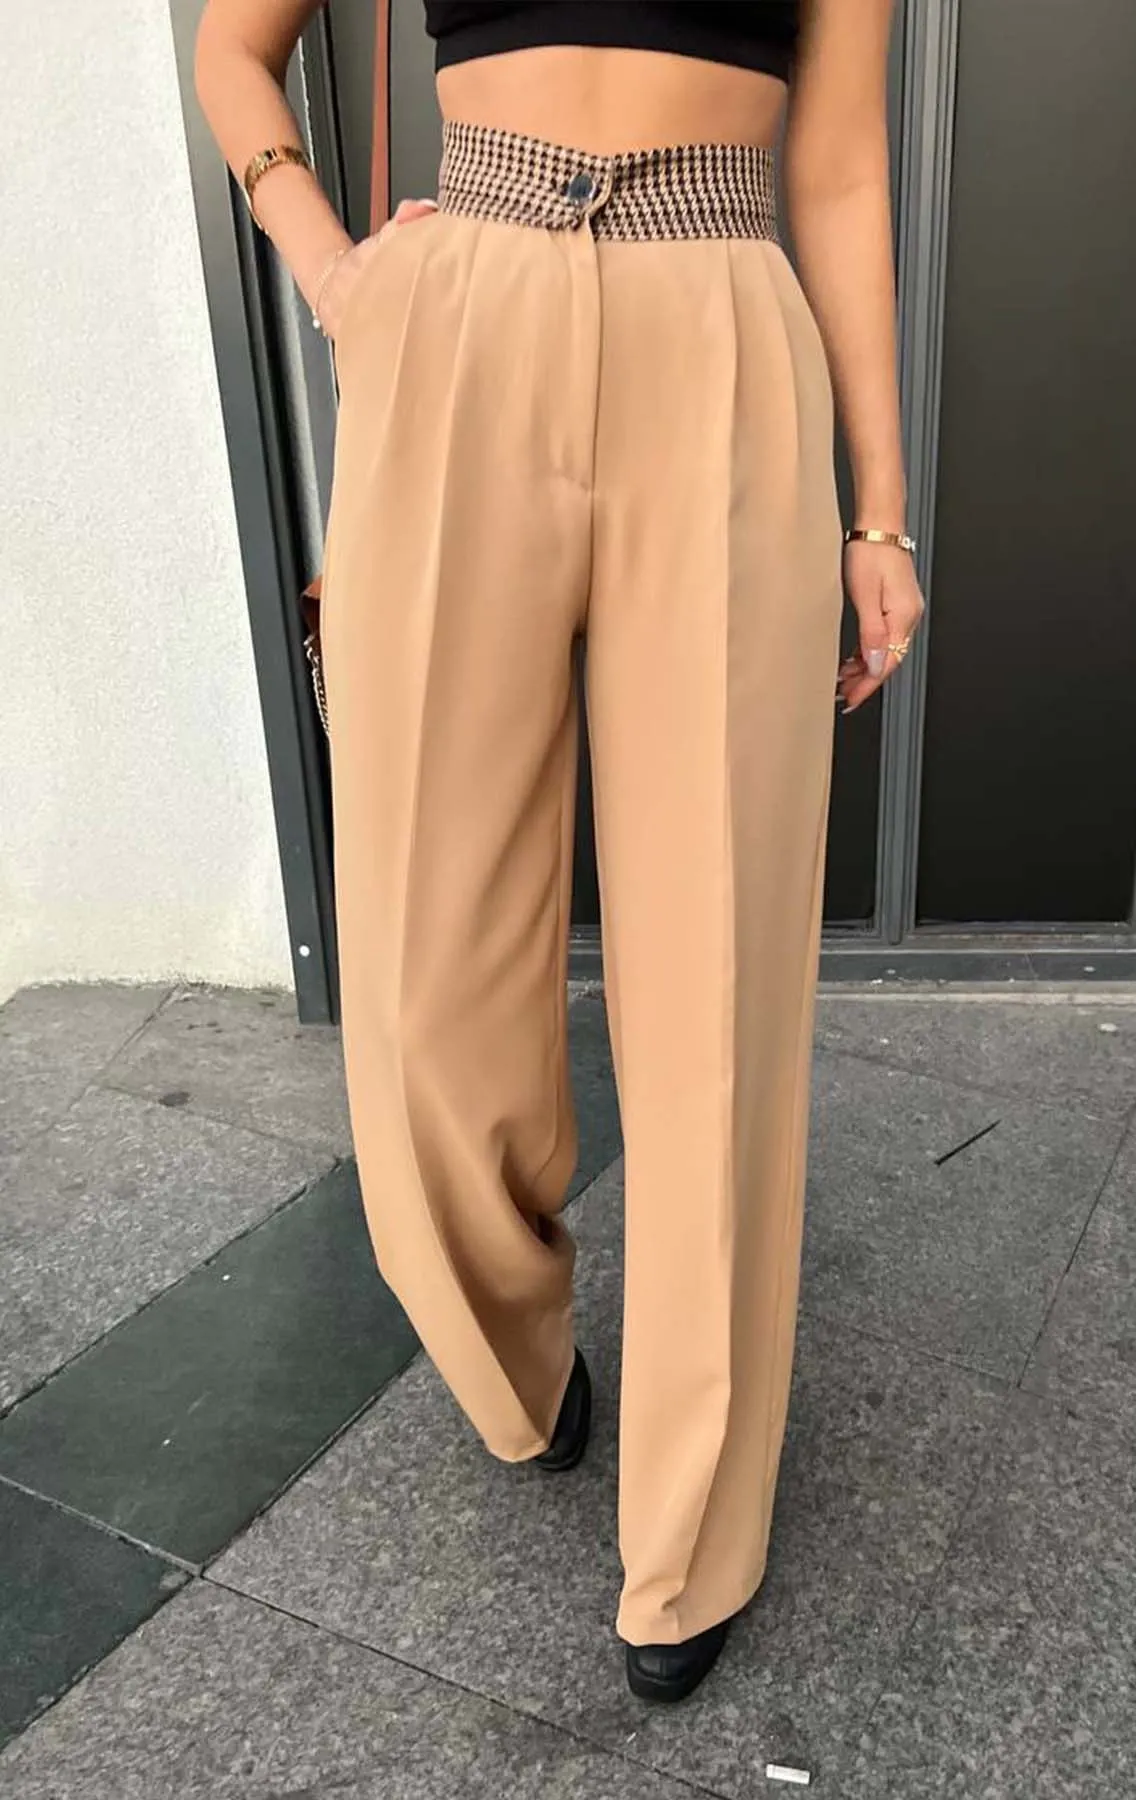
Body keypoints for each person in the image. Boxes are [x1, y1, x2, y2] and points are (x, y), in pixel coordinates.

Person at [194, 0, 925, 1704]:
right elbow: (233, 47)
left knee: (716, 989)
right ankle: (513, 1344)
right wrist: (332, 268)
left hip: (721, 327)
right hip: (463, 323)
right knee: (419, 975)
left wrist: (880, 509)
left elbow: (836, 165)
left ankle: (693, 1531)